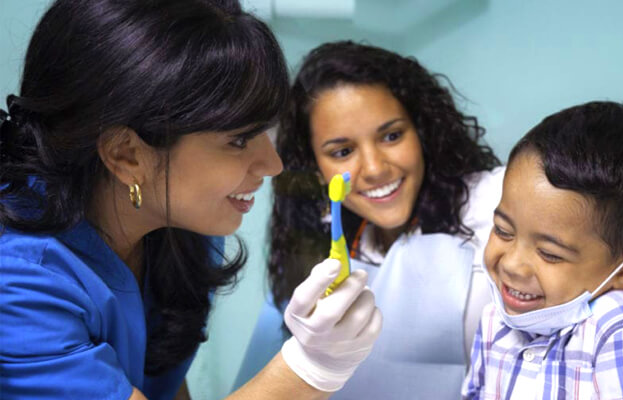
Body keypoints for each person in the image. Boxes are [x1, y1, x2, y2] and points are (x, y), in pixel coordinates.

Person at [0, 1, 381, 399]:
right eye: (238, 140)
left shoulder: (182, 230)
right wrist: (310, 368)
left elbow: (158, 386)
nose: (273, 165)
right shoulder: (18, 284)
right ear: (126, 155)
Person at [236, 41, 504, 398]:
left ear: (421, 131)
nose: (376, 169)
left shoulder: (497, 203)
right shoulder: (329, 252)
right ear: (316, 170)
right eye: (343, 151)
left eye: (392, 136)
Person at [462, 101, 623, 399]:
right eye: (503, 230)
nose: (512, 265)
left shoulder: (621, 334)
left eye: (550, 254)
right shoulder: (496, 317)